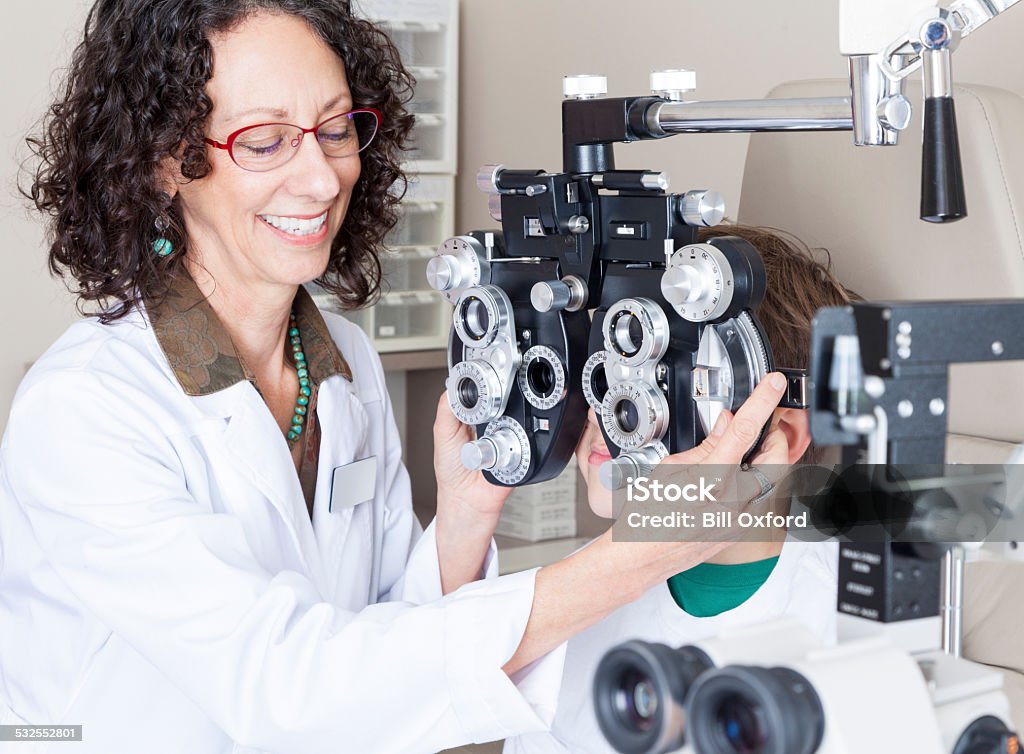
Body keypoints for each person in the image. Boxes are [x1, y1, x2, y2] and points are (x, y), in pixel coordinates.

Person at [0, 3, 795, 753]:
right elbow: (281, 689)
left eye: (336, 128)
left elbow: (381, 641)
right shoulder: (86, 409)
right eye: (265, 140)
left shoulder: (343, 362)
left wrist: (461, 521)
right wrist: (644, 545)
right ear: (166, 162)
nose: (320, 178)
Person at [504, 224, 858, 754]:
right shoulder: (566, 601)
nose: (611, 415)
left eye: (663, 389)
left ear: (777, 437)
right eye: (605, 376)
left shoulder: (851, 629)